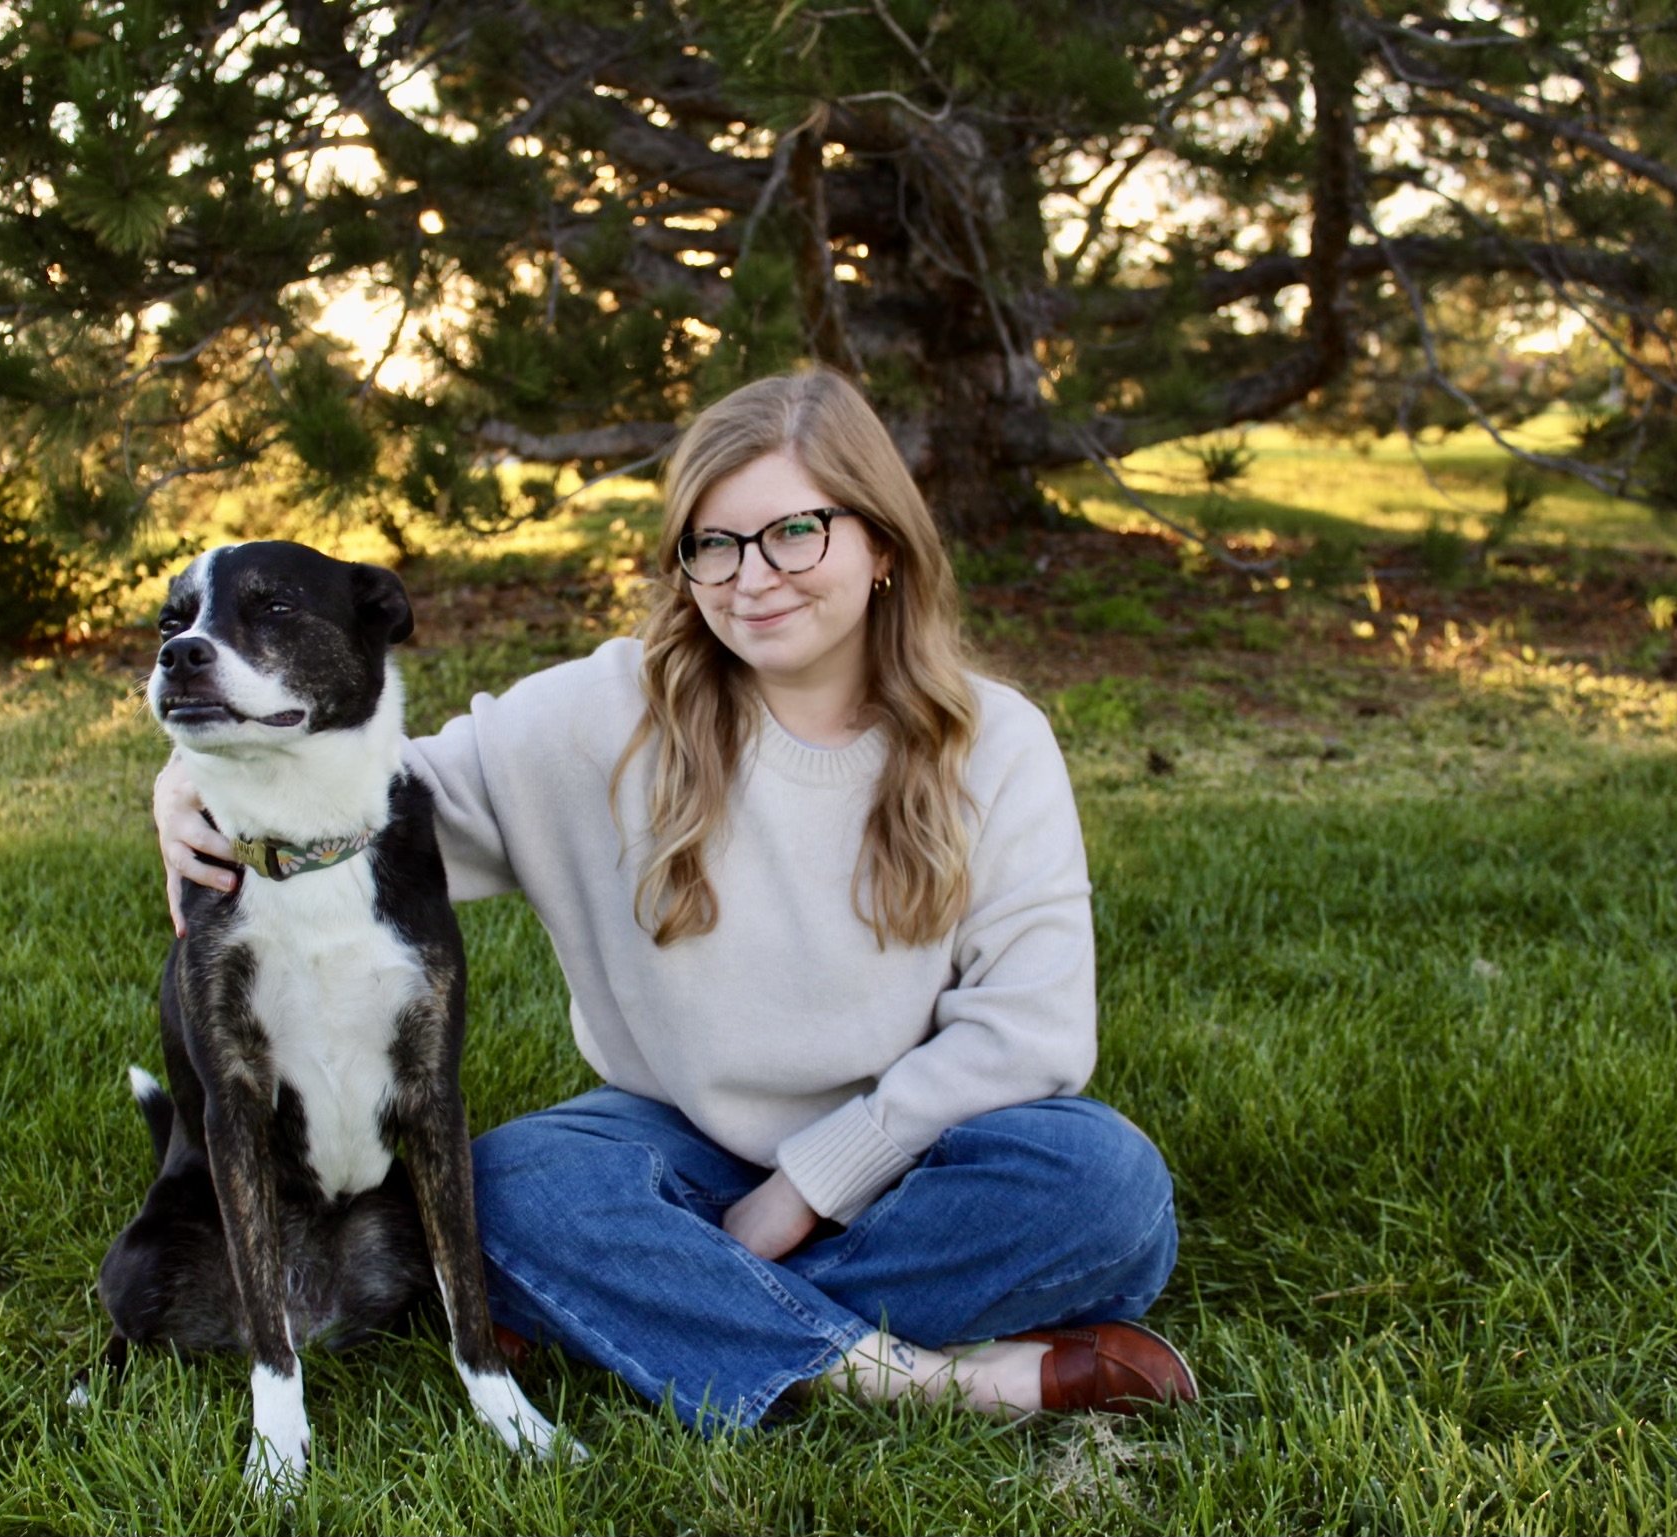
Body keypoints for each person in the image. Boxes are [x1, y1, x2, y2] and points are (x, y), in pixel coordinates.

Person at [154, 368, 1193, 1431]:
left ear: (883, 542)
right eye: (713, 544)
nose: (753, 577)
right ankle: (929, 1382)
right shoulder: (600, 712)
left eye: (796, 531)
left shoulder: (995, 738)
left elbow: (1035, 1031)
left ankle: (657, 1315)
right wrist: (193, 774)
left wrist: (804, 1190)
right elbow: (366, 798)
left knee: (1105, 1187)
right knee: (511, 1190)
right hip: (672, 1140)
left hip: (921, 1146)